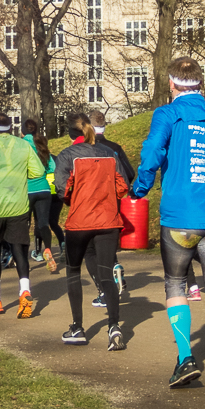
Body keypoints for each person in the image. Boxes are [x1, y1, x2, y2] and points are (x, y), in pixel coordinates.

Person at [132, 57, 205, 399]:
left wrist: (141, 187)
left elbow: (153, 150)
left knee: (174, 284)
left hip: (180, 216)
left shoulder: (168, 114)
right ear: (201, 83)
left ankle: (186, 358)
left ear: (172, 85)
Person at [54, 113, 129, 351]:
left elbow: (62, 190)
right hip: (108, 221)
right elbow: (123, 186)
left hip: (79, 222)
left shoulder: (67, 155)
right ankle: (114, 327)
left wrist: (76, 198)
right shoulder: (109, 153)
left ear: (70, 133)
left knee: (73, 274)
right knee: (106, 276)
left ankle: (77, 327)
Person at [0, 111, 44, 319]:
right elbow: (38, 171)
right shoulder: (23, 145)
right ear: (10, 129)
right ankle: (25, 292)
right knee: (19, 249)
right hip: (19, 204)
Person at [88, 110, 134, 303]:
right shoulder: (114, 147)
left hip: (90, 202)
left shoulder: (85, 148)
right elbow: (129, 174)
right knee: (107, 241)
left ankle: (103, 290)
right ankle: (114, 266)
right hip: (111, 202)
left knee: (91, 248)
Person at [22, 119, 57, 274]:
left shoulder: (21, 145)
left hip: (26, 189)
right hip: (44, 189)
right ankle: (47, 249)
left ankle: (22, 258)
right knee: (42, 223)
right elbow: (52, 167)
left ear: (22, 132)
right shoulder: (41, 144)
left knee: (24, 224)